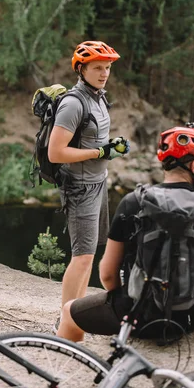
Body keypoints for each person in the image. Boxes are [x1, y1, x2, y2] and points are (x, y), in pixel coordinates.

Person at [56, 125, 194, 342]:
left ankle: (69, 365)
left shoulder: (133, 202)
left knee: (69, 312)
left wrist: (123, 301)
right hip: (193, 315)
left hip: (139, 314)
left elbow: (107, 274)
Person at [48, 41, 131, 331]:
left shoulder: (99, 98)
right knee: (81, 257)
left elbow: (92, 141)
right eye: (97, 67)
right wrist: (99, 153)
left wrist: (110, 147)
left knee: (89, 254)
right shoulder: (73, 103)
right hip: (80, 187)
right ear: (81, 69)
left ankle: (76, 316)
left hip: (98, 183)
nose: (104, 73)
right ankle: (67, 324)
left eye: (107, 68)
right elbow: (55, 153)